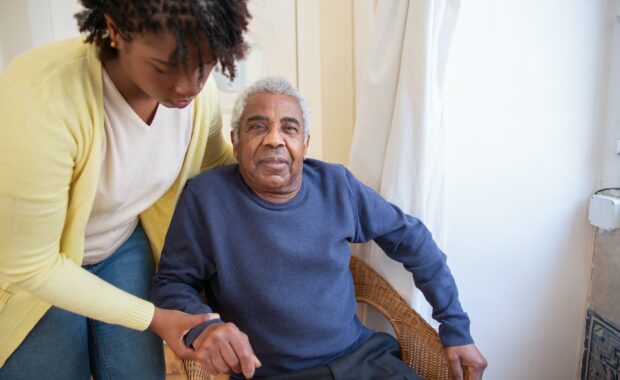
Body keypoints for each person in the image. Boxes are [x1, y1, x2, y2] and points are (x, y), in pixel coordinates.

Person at [152, 76, 488, 380]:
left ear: (305, 143)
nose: (274, 140)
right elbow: (172, 283)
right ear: (235, 142)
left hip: (362, 361)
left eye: (289, 128)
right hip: (270, 373)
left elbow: (412, 239)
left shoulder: (335, 184)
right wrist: (204, 327)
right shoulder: (206, 197)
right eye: (257, 127)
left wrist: (455, 326)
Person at [0, 1, 251, 379]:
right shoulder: (41, 99)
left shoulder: (199, 100)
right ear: (116, 31)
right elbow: (31, 264)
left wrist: (297, 180)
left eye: (206, 64)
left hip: (120, 243)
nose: (189, 86)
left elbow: (217, 167)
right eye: (164, 67)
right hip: (31, 270)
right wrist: (153, 318)